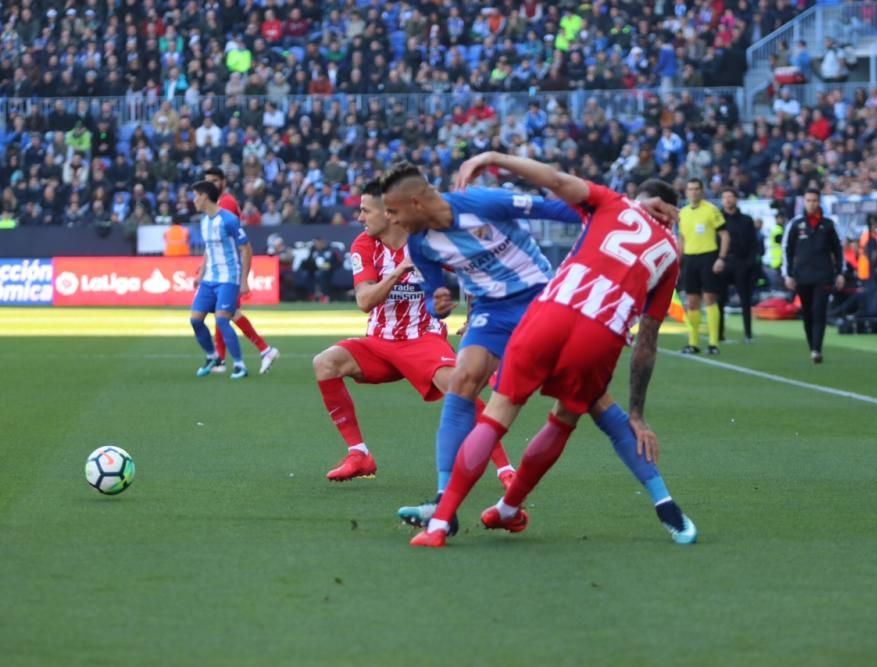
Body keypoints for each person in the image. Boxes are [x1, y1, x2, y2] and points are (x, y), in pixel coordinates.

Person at [409, 154, 695, 547]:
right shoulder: (670, 254)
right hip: (585, 328)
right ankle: (663, 505)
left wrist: (493, 157)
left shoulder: (603, 203)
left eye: (381, 211)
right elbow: (648, 340)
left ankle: (442, 521)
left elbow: (554, 186)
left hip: (546, 304)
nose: (382, 219)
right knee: (558, 409)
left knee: (499, 410)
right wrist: (640, 414)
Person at [312, 180, 515, 490]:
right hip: (379, 342)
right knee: (325, 363)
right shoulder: (363, 245)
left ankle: (506, 471)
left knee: (459, 388)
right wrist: (398, 272)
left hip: (423, 339)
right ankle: (359, 454)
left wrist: (474, 317)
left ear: (390, 213)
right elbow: (364, 301)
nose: (360, 217)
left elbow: (477, 268)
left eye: (366, 210)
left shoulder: (430, 241)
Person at [202, 167, 280, 374]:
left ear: (224, 182)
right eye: (207, 181)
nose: (210, 185)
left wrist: (242, 277)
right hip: (222, 271)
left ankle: (264, 350)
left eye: (214, 181)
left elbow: (237, 241)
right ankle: (222, 358)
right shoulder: (217, 204)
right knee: (224, 313)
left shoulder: (225, 203)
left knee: (227, 313)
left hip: (229, 271)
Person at [188, 180, 251, 379]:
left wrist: (244, 280)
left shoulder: (229, 220)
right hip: (210, 279)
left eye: (195, 195)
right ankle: (212, 356)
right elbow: (209, 249)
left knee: (222, 319)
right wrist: (201, 273)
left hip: (228, 278)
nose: (193, 200)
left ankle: (240, 365)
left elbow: (246, 249)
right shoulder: (205, 221)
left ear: (205, 196)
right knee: (195, 320)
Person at [782, 189, 845, 363]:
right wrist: (787, 274)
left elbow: (838, 250)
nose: (811, 204)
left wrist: (840, 272)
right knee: (808, 313)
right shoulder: (796, 224)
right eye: (808, 200)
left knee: (819, 311)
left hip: (823, 275)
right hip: (802, 276)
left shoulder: (829, 225)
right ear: (804, 202)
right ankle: (812, 346)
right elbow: (787, 250)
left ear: (819, 202)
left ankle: (817, 349)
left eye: (814, 200)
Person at [678, 178, 729, 355]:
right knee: (692, 303)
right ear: (686, 192)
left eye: (696, 189)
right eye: (690, 189)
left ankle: (714, 343)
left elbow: (724, 235)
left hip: (708, 257)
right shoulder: (682, 213)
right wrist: (678, 259)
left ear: (702, 191)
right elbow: (682, 238)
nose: (693, 192)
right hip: (690, 259)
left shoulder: (711, 210)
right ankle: (693, 342)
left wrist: (721, 258)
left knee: (709, 299)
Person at [716, 188, 759, 342]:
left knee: (745, 300)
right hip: (723, 263)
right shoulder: (717, 219)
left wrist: (749, 262)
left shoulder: (746, 220)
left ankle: (748, 334)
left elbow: (754, 243)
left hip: (741, 263)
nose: (727, 200)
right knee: (719, 300)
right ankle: (719, 334)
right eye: (724, 197)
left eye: (730, 196)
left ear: (736, 199)